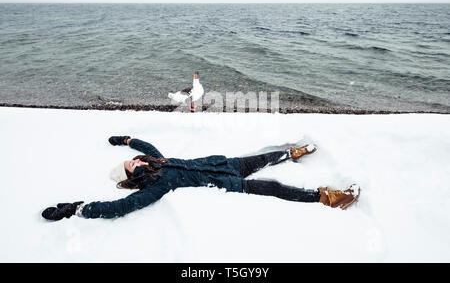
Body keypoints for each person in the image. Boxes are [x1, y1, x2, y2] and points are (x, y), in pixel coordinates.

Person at [42, 136, 360, 221]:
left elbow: (146, 145)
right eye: (131, 164)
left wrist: (126, 141)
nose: (137, 160)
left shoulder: (156, 159)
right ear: (133, 175)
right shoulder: (155, 185)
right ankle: (329, 198)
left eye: (135, 159)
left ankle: (291, 153)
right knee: (275, 188)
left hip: (225, 163)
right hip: (228, 184)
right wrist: (78, 208)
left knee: (264, 158)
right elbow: (119, 208)